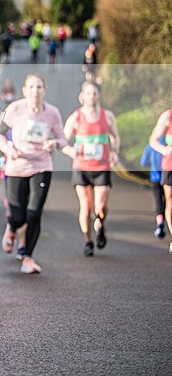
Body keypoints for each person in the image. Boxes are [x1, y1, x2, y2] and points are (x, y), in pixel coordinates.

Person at [0, 75, 67, 273]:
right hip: (16, 166)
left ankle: (28, 257)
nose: (35, 91)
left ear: (44, 90)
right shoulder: (15, 109)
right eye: (32, 87)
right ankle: (11, 227)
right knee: (18, 216)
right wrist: (9, 150)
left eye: (39, 87)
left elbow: (62, 138)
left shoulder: (52, 112)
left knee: (34, 213)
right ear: (25, 90)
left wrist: (54, 143)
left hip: (42, 166)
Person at [61, 82, 121, 257]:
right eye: (88, 93)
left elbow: (115, 136)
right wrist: (70, 150)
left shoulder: (107, 116)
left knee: (100, 207)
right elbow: (63, 141)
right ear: (83, 96)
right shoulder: (76, 117)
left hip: (102, 167)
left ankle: (100, 225)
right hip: (81, 167)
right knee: (86, 207)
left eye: (94, 93)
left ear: (98, 95)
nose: (91, 96)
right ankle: (88, 241)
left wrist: (115, 152)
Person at [148, 109, 172, 253]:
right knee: (170, 202)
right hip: (169, 166)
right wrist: (164, 150)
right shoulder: (167, 116)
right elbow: (153, 140)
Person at [140, 139, 167, 239]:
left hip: (155, 177)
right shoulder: (168, 144)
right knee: (169, 202)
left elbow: (143, 162)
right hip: (168, 176)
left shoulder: (151, 145)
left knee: (159, 201)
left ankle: (160, 224)